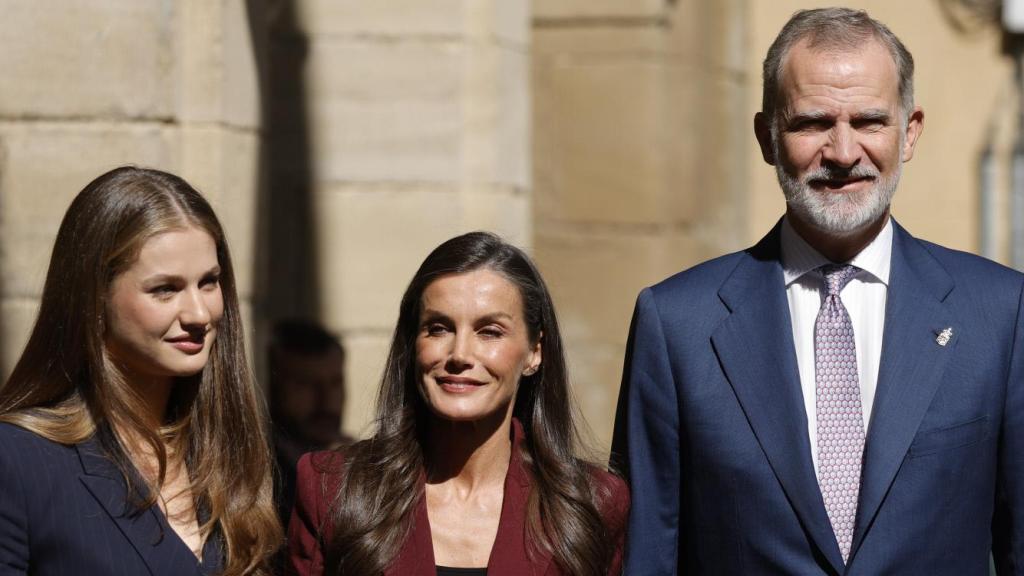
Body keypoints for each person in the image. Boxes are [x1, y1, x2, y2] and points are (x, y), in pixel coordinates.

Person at [612, 7, 1023, 575]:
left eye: (870, 122)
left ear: (910, 132)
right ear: (767, 137)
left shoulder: (1000, 315)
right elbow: (647, 554)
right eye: (812, 123)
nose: (843, 153)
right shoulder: (678, 324)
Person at [288, 231, 629, 576]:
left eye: (490, 331)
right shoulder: (332, 489)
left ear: (534, 352)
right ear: (413, 343)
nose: (460, 354)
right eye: (439, 328)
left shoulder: (593, 505)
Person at [0, 167, 281, 575]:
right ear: (94, 299)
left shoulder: (232, 459)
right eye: (165, 289)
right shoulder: (19, 461)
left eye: (208, 282)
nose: (199, 314)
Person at [267, 319, 352, 523]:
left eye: (335, 383)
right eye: (306, 384)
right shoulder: (260, 478)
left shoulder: (360, 464)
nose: (326, 400)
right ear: (274, 387)